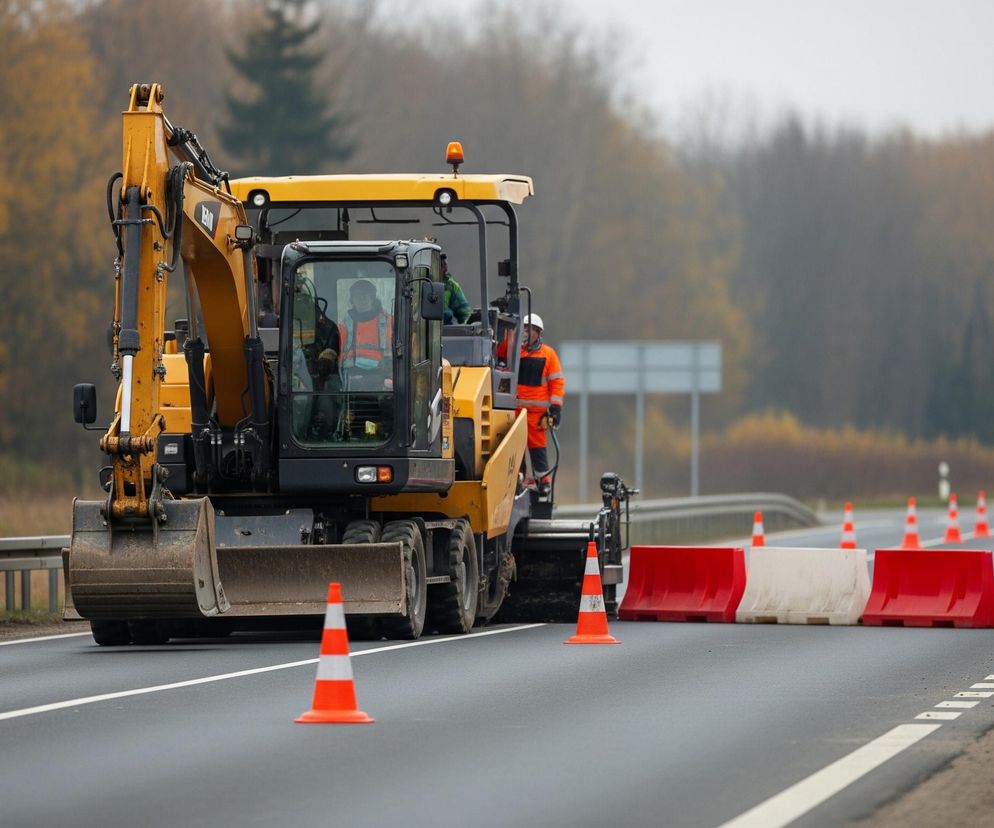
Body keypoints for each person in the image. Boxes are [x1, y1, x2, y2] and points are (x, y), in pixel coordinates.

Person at [513, 313, 564, 487]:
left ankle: (544, 483)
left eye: (529, 329)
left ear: (538, 332)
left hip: (537, 415)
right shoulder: (515, 352)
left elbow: (556, 382)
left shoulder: (549, 354)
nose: (526, 332)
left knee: (538, 450)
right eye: (524, 328)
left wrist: (556, 409)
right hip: (515, 413)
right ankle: (517, 482)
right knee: (514, 449)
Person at [440, 253, 471, 324]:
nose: (444, 267)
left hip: (446, 330)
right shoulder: (422, 283)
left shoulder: (452, 286)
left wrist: (463, 331)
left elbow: (464, 313)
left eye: (444, 264)